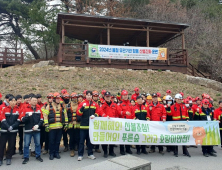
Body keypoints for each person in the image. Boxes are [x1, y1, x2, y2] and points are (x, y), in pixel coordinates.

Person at [42, 92, 68, 160]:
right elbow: (45, 116)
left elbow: (65, 115)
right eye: (57, 99)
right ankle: (51, 153)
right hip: (52, 128)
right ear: (54, 99)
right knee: (51, 141)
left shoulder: (62, 106)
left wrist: (66, 124)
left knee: (57, 141)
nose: (58, 100)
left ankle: (56, 153)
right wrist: (47, 125)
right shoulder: (49, 106)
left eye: (59, 98)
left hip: (60, 127)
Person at [77, 91, 100, 161]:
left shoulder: (94, 104)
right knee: (81, 141)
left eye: (90, 95)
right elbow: (78, 113)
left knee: (90, 142)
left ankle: (90, 154)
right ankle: (80, 155)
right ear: (85, 96)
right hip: (83, 126)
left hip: (91, 127)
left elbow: (98, 112)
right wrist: (82, 108)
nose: (89, 96)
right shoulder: (82, 104)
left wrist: (95, 115)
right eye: (88, 95)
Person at [21, 95, 43, 164]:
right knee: (26, 144)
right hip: (28, 130)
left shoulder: (39, 109)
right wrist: (27, 116)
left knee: (38, 144)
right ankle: (26, 157)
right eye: (33, 100)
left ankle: (38, 156)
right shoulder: (25, 109)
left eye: (35, 100)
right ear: (30, 101)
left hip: (36, 130)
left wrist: (38, 125)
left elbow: (42, 119)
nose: (34, 101)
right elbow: (22, 119)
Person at [0, 96, 20, 166]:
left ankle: (9, 158)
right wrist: (8, 127)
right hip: (4, 130)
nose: (13, 102)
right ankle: (0, 159)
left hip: (13, 131)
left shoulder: (18, 110)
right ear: (9, 101)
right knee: (2, 145)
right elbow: (2, 119)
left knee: (11, 145)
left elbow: (18, 120)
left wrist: (12, 127)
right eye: (12, 101)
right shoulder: (5, 109)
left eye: (15, 101)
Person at [99, 91, 120, 158]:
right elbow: (100, 111)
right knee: (104, 138)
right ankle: (105, 152)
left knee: (112, 138)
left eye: (108, 97)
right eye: (106, 97)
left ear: (110, 97)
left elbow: (118, 112)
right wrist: (105, 116)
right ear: (104, 97)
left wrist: (123, 113)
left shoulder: (114, 104)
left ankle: (111, 151)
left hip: (112, 124)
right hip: (105, 124)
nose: (107, 98)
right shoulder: (102, 105)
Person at [118, 90, 133, 155]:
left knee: (128, 136)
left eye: (126, 95)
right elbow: (119, 112)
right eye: (124, 95)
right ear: (122, 96)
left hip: (129, 122)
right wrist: (124, 113)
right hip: (122, 122)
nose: (125, 96)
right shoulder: (120, 103)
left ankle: (128, 149)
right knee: (122, 136)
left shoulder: (130, 103)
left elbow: (132, 113)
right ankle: (122, 150)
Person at [66, 92, 80, 157]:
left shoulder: (80, 105)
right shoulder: (68, 105)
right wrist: (66, 123)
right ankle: (72, 150)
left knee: (77, 138)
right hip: (70, 124)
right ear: (71, 98)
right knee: (71, 138)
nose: (74, 99)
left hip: (78, 124)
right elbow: (65, 115)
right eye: (73, 98)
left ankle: (77, 148)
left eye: (75, 98)